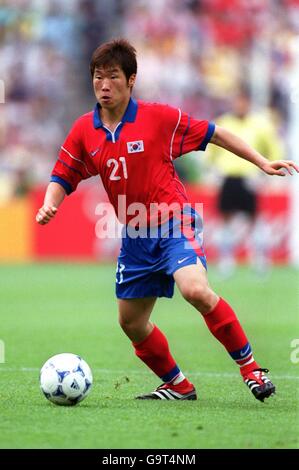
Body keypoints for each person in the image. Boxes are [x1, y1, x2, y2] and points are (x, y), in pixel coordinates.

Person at [36, 39, 298, 401]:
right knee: (131, 323)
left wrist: (261, 162)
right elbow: (62, 175)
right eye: (98, 77)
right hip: (135, 234)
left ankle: (251, 369)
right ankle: (177, 385)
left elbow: (215, 133)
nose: (104, 85)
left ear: (132, 80)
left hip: (174, 221)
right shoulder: (85, 129)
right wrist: (50, 203)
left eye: (113, 77)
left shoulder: (159, 118)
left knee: (195, 290)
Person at [206, 88, 285, 276]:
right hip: (228, 177)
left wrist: (266, 174)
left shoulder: (260, 125)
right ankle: (226, 261)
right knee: (225, 219)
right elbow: (211, 148)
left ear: (248, 103)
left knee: (255, 219)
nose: (240, 105)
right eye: (237, 101)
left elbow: (274, 148)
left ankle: (260, 260)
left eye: (243, 102)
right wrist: (213, 171)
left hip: (249, 178)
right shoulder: (224, 122)